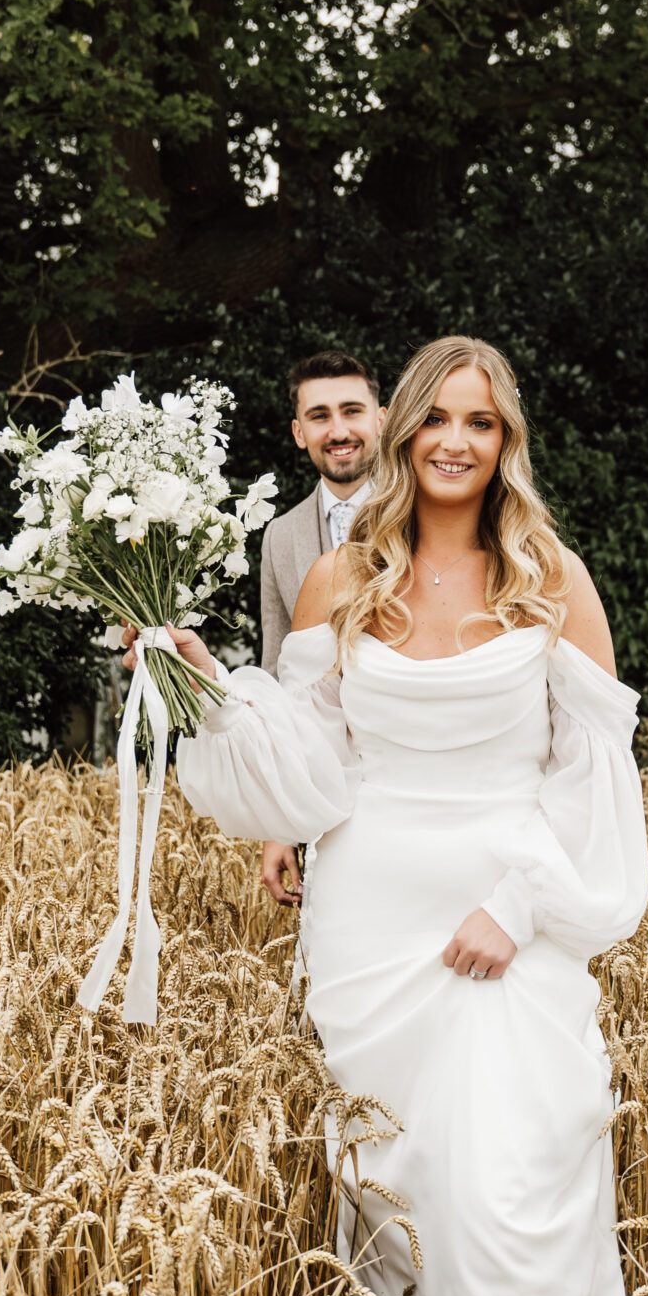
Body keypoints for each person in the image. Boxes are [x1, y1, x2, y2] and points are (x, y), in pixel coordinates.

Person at [153, 333, 648, 1296]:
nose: (454, 443)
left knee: (506, 1220)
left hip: (506, 937)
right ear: (399, 432)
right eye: (438, 419)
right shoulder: (334, 579)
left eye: (481, 425)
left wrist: (517, 900)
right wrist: (204, 689)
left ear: (504, 444)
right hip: (368, 939)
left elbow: (591, 785)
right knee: (401, 1233)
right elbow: (306, 776)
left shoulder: (550, 581)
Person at [256, 353, 385, 911]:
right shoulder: (279, 538)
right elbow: (277, 679)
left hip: (414, 768)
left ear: (381, 417)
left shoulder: (435, 512)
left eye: (352, 411)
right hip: (326, 791)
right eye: (319, 415)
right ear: (298, 431)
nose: (338, 431)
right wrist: (280, 818)